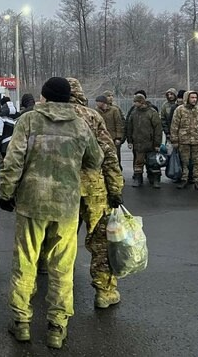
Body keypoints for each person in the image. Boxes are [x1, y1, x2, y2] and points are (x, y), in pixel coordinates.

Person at [0, 77, 103, 350]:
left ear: (44, 96)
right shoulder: (81, 125)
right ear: (69, 98)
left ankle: (21, 322)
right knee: (62, 267)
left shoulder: (29, 121)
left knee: (25, 262)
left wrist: (6, 193)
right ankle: (57, 327)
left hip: (31, 203)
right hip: (66, 206)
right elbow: (96, 159)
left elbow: (13, 161)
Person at [68, 78, 124, 309]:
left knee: (60, 239)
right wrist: (115, 188)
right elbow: (109, 154)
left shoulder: (42, 116)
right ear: (80, 94)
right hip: (93, 188)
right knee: (100, 241)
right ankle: (104, 291)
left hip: (60, 188)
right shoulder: (91, 116)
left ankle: (59, 290)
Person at [170, 91, 198, 190]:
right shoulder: (179, 110)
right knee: (184, 162)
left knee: (197, 162)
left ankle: (197, 181)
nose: (194, 99)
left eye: (195, 97)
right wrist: (174, 140)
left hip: (197, 140)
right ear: (187, 98)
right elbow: (174, 126)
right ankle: (184, 179)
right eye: (192, 97)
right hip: (183, 140)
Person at [127, 94, 162, 188]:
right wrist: (129, 141)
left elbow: (158, 129)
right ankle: (138, 179)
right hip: (138, 143)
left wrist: (157, 143)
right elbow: (129, 127)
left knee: (154, 162)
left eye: (136, 102)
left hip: (150, 143)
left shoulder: (152, 112)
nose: (134, 104)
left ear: (141, 102)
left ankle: (155, 179)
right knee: (138, 162)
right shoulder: (134, 113)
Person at [95, 95, 125, 170]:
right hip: (101, 138)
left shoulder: (114, 110)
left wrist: (118, 137)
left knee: (116, 157)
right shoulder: (96, 111)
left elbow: (118, 124)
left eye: (98, 102)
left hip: (113, 137)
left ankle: (118, 173)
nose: (97, 104)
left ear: (103, 102)